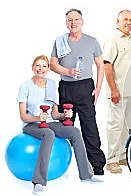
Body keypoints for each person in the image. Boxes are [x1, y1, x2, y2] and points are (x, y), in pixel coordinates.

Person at [17, 55, 102, 195]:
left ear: (48, 69)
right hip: (31, 124)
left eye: (44, 66)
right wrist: (38, 117)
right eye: (37, 65)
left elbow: (55, 114)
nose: (40, 69)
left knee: (74, 131)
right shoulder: (25, 86)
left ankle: (86, 175)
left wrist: (64, 115)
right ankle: (38, 182)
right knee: (49, 134)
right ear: (33, 68)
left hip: (50, 122)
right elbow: (22, 116)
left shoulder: (51, 84)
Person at [50, 8, 106, 175]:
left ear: (82, 22)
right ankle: (60, 163)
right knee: (64, 126)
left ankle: (97, 165)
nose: (73, 23)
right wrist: (67, 72)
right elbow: (52, 64)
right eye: (70, 20)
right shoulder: (60, 41)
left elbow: (101, 65)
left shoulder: (92, 41)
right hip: (66, 87)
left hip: (85, 88)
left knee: (89, 126)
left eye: (76, 19)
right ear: (66, 23)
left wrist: (98, 88)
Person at [102, 9, 131, 174]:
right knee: (115, 125)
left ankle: (123, 156)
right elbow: (107, 65)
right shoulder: (113, 40)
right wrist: (113, 90)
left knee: (128, 126)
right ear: (117, 22)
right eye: (125, 19)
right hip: (118, 92)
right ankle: (111, 160)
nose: (129, 23)